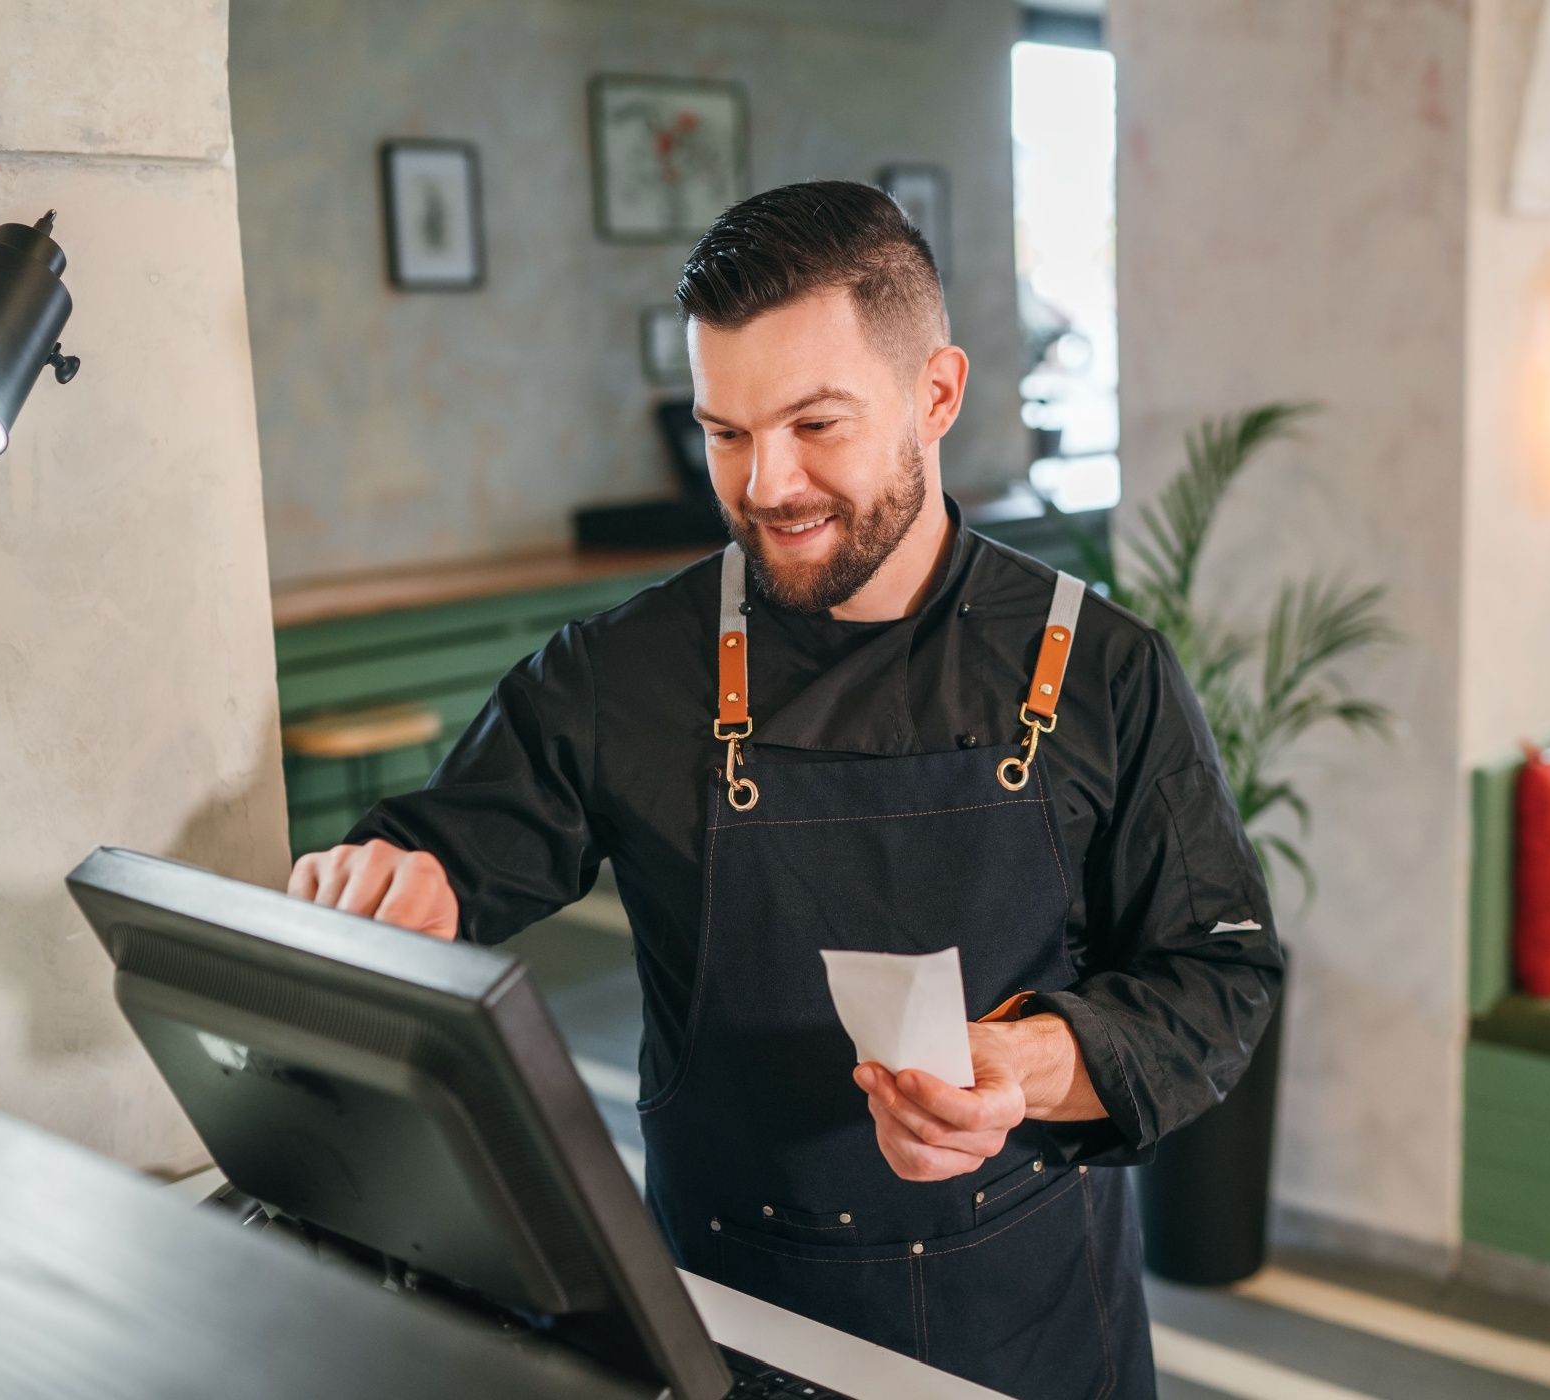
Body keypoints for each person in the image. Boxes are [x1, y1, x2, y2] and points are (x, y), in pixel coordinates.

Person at [291, 179, 1282, 1400]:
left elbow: (1219, 979)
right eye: (725, 431)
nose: (767, 485)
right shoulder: (620, 673)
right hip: (730, 1326)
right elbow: (457, 848)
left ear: (937, 394)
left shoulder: (1107, 668)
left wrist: (1025, 1066)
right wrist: (404, 877)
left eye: (817, 425)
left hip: (1030, 1328)